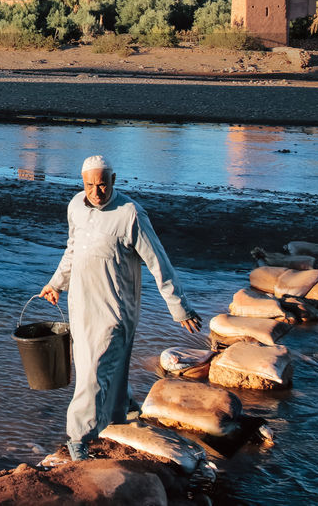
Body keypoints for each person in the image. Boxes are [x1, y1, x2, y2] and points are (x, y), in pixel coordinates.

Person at [40, 154, 201, 462]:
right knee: (90, 368)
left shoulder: (130, 214)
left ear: (113, 180)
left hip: (115, 311)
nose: (96, 192)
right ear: (82, 182)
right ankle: (123, 411)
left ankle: (77, 439)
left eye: (102, 185)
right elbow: (73, 249)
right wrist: (56, 283)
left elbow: (158, 262)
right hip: (81, 305)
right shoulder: (75, 206)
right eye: (89, 185)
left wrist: (180, 308)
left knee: (95, 373)